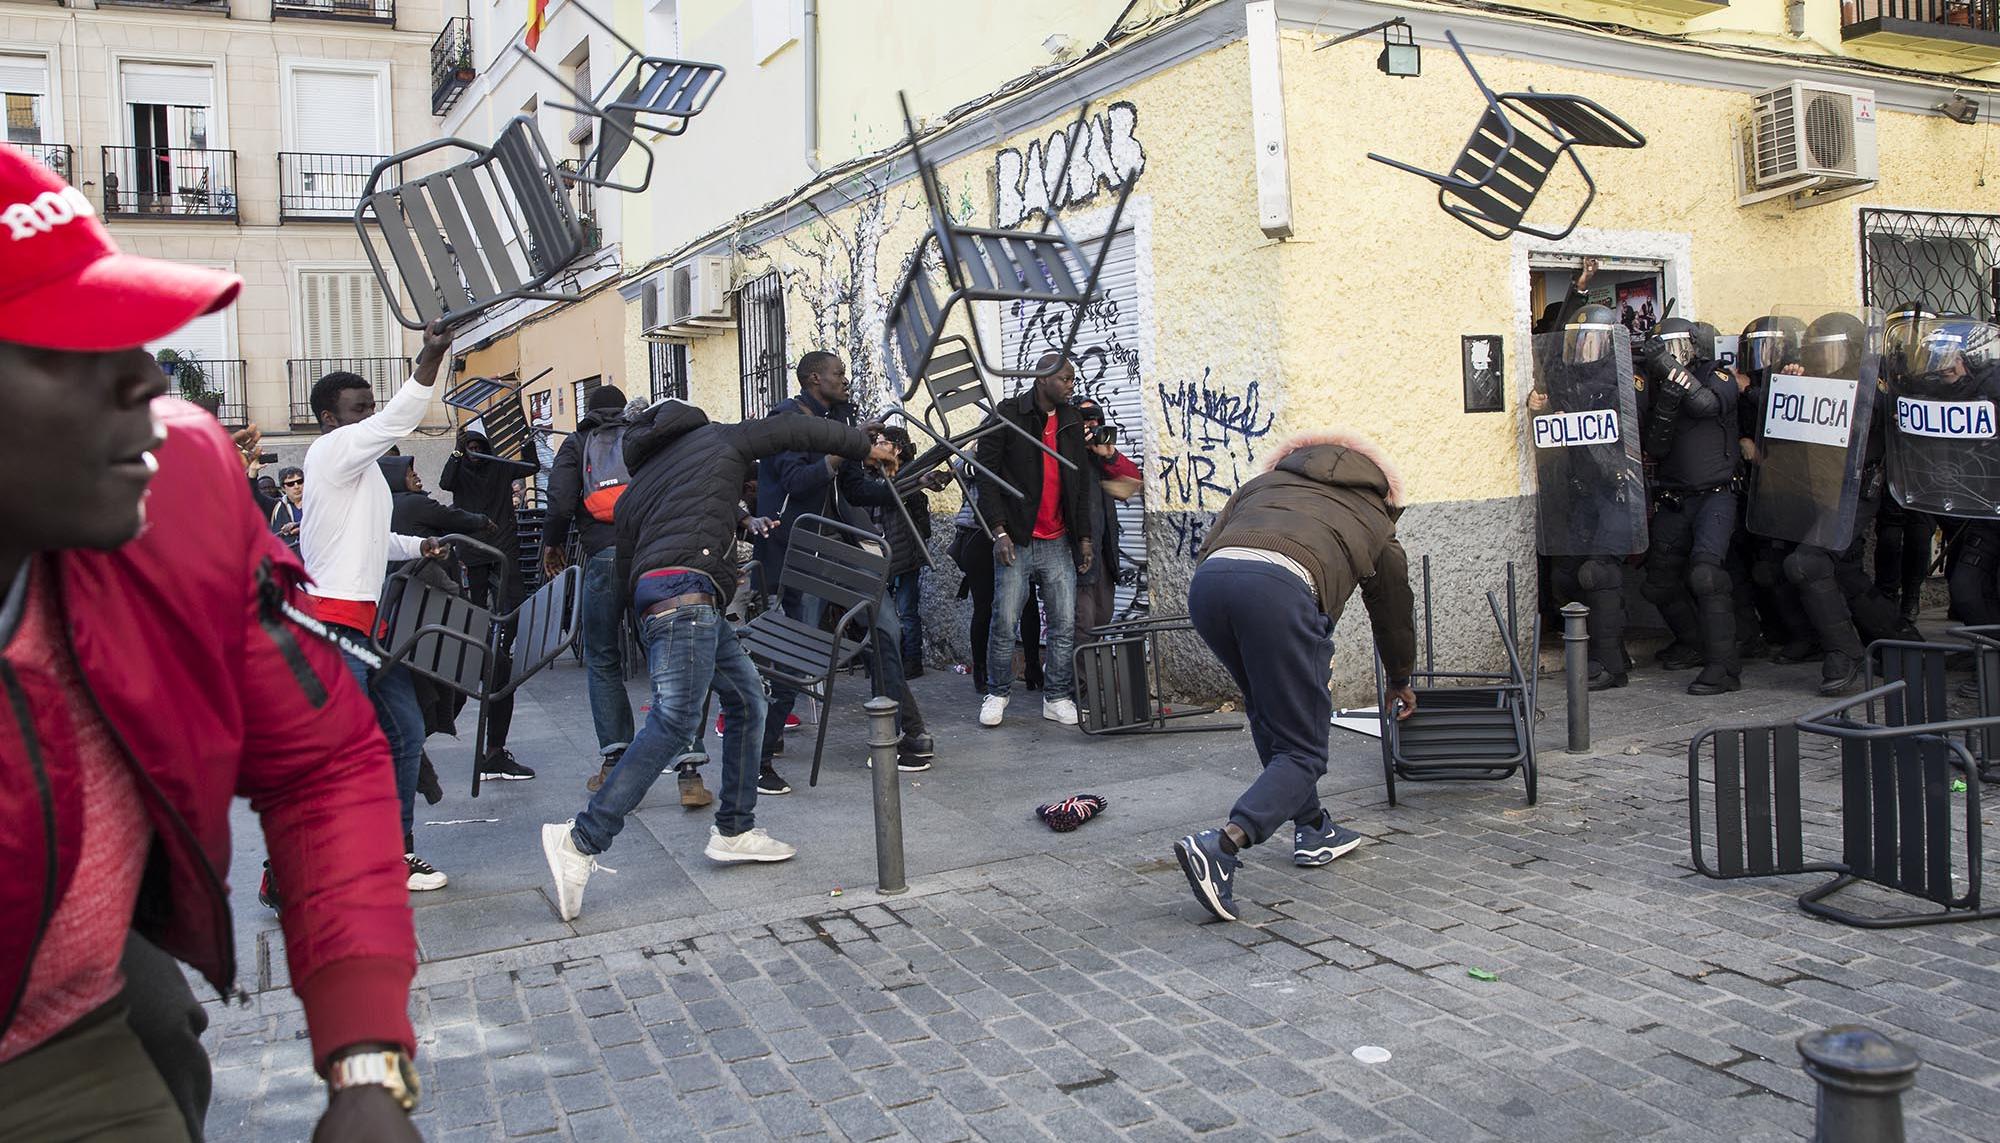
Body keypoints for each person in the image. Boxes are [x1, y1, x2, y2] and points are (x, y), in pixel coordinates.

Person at [0, 142, 420, 1140]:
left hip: (68, 1023)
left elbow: (318, 762)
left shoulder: (177, 488)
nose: (150, 378)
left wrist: (367, 1064)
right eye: (74, 348)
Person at [539, 398, 900, 921]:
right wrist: (863, 445)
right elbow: (792, 429)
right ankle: (580, 841)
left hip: (672, 598)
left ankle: (734, 828)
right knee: (676, 720)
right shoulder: (719, 439)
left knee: (748, 699)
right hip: (687, 596)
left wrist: (643, 624)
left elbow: (626, 558)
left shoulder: (642, 483)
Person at [1173, 432, 1418, 923]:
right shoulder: (1374, 513)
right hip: (1281, 590)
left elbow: (1215, 540)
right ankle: (1222, 844)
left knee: (1270, 711)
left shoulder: (1265, 483)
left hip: (1211, 586)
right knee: (1304, 749)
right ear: (1381, 487)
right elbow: (1392, 606)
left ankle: (1313, 827)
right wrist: (1399, 677)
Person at [302, 338, 456, 892]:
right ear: (330, 419)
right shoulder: (333, 451)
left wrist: (418, 549)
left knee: (404, 734)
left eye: (370, 406)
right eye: (358, 409)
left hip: (360, 626)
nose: (368, 416)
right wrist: (431, 359)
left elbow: (370, 538)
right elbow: (400, 417)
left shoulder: (360, 470)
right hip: (331, 624)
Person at [754, 352, 935, 792]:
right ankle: (759, 752)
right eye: (838, 374)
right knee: (801, 647)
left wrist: (910, 484)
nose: (846, 380)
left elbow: (856, 488)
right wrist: (844, 447)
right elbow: (797, 482)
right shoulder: (787, 420)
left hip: (844, 545)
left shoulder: (842, 418)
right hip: (802, 550)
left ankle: (909, 735)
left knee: (886, 631)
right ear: (815, 379)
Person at [976, 355, 1094, 728]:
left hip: (1059, 539)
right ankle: (997, 693)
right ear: (1042, 380)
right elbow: (986, 477)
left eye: (1073, 378)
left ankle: (1056, 696)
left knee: (1062, 622)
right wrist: (998, 531)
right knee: (1005, 621)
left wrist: (1085, 537)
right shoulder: (1008, 414)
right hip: (1017, 537)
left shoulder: (1072, 420)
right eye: (1065, 378)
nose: (1071, 384)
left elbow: (1079, 484)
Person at [1529, 305, 1638, 689]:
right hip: (1583, 489)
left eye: (1589, 339)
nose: (1582, 348)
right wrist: (1539, 410)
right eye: (1577, 341)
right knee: (1569, 572)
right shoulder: (1569, 378)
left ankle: (1609, 665)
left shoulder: (1626, 377)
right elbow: (1549, 359)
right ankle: (1612, 651)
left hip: (1617, 489)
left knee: (1599, 572)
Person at [1636, 315, 1742, 695]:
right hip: (1674, 497)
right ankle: (1693, 642)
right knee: (1657, 582)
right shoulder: (1656, 385)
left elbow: (1707, 406)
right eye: (1662, 348)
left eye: (1675, 346)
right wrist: (1664, 397)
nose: (1669, 354)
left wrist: (1668, 368)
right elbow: (1656, 446)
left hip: (1716, 495)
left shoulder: (1718, 375)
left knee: (1706, 576)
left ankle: (1724, 668)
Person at [441, 423, 539, 783]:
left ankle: (500, 644)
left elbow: (530, 469)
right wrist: (458, 451)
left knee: (509, 599)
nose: (473, 450)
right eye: (470, 445)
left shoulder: (496, 464)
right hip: (481, 547)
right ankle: (489, 644)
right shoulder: (465, 468)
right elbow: (447, 479)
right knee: (482, 602)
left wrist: (527, 441)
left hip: (497, 545)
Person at [1072, 397, 1144, 641]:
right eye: (1084, 421)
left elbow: (1132, 482)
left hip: (1103, 554)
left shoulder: (1102, 455)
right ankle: (1079, 679)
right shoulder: (1062, 453)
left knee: (1102, 617)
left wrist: (1109, 454)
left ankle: (1088, 674)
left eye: (1095, 421)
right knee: (1082, 622)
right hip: (1075, 554)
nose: (1091, 426)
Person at [270, 464, 306, 553]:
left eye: (300, 481)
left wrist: (300, 527)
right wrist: (252, 472)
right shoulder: (277, 506)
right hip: (292, 559)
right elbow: (255, 495)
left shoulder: (316, 502)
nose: (297, 486)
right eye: (290, 484)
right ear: (283, 488)